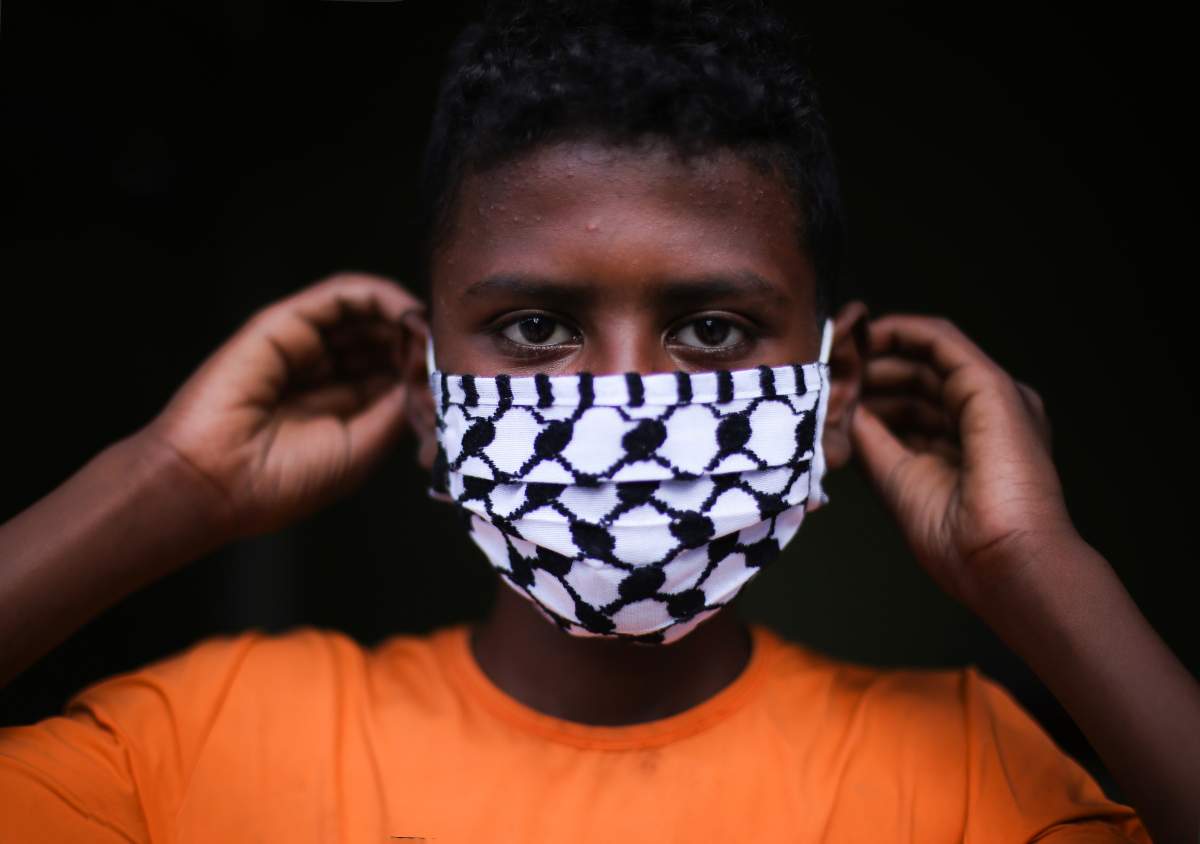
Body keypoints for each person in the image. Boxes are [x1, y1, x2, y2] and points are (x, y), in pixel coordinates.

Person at [1, 1, 1196, 841]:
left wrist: (1039, 568)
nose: (618, 397)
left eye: (713, 329)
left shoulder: (970, 779)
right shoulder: (199, 746)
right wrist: (159, 482)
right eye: (534, 328)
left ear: (829, 400)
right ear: (428, 391)